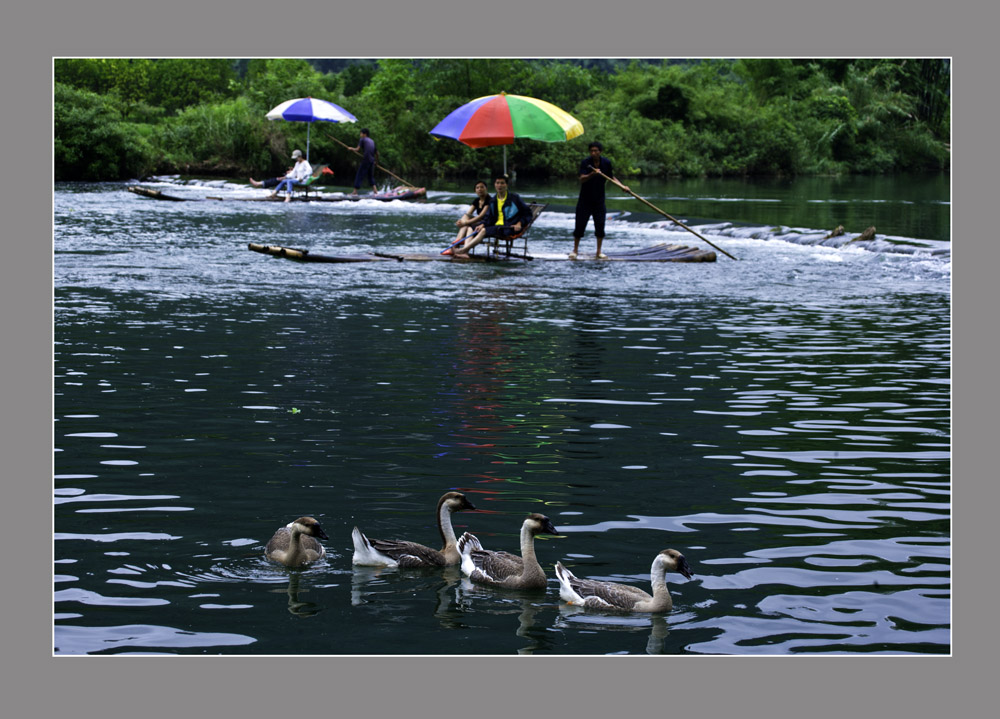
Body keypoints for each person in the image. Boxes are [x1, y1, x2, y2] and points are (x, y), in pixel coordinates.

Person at [449, 173, 532, 258]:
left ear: (506, 185)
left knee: (483, 231)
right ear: (495, 185)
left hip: (508, 227)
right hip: (496, 227)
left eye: (502, 183)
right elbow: (490, 218)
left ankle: (463, 250)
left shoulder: (514, 198)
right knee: (471, 228)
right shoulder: (494, 200)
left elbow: (528, 213)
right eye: (497, 183)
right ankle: (465, 252)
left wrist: (519, 223)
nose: (499, 185)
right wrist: (482, 224)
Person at [572, 141, 628, 259]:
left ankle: (598, 252)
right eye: (591, 151)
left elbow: (611, 177)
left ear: (600, 152)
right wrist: (592, 174)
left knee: (600, 225)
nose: (593, 153)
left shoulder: (606, 163)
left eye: (595, 151)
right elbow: (582, 179)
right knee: (580, 225)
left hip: (599, 200)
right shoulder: (586, 163)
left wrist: (622, 186)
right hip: (584, 200)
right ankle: (575, 251)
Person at [452, 180, 491, 246]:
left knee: (466, 224)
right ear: (475, 190)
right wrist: (461, 221)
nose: (479, 189)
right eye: (477, 188)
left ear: (486, 189)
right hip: (479, 221)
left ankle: (458, 241)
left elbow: (481, 216)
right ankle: (459, 240)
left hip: (486, 222)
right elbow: (468, 213)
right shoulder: (477, 200)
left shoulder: (489, 200)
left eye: (482, 187)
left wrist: (465, 222)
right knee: (466, 218)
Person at [350, 128, 379, 196]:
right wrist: (376, 162)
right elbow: (377, 153)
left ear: (364, 134)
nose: (360, 135)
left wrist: (351, 149)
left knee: (359, 174)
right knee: (370, 176)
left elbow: (357, 149)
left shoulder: (362, 139)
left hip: (366, 160)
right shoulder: (372, 141)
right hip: (372, 161)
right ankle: (375, 191)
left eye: (361, 133)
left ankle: (355, 191)